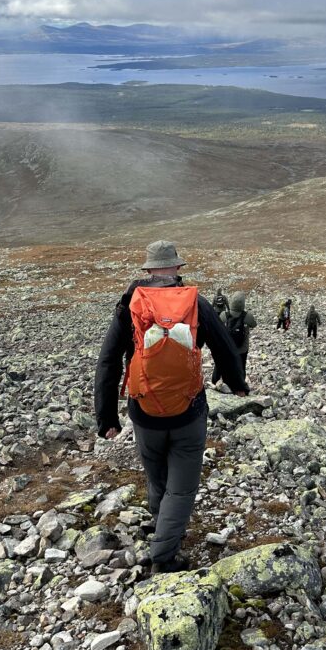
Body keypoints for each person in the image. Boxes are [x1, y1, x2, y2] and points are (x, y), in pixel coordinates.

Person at [94, 240, 248, 574]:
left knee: (156, 470)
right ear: (178, 269)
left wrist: (107, 418)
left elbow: (108, 363)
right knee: (182, 486)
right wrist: (237, 385)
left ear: (148, 270)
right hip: (188, 411)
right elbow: (224, 347)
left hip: (143, 411)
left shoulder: (130, 305)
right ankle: (163, 557)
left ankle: (159, 523)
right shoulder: (196, 303)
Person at [212, 291, 256, 384]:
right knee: (241, 366)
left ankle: (215, 381)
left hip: (226, 347)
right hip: (242, 348)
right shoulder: (247, 316)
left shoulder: (224, 314)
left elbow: (218, 325)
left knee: (220, 364)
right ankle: (240, 386)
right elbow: (254, 325)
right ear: (243, 303)